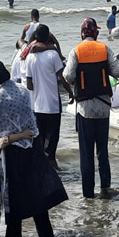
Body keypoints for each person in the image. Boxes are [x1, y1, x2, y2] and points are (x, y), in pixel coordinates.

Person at [0, 61, 68, 237]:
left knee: (14, 200)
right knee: (37, 196)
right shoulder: (22, 90)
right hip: (33, 147)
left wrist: (7, 138)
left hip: (12, 153)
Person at [63, 19, 119, 198]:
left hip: (85, 109)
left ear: (82, 33)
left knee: (86, 153)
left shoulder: (76, 51)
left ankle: (88, 193)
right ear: (96, 34)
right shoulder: (104, 49)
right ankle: (105, 187)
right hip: (104, 107)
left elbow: (68, 75)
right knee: (102, 151)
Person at [25, 25, 74, 171]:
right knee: (52, 144)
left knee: (40, 141)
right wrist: (71, 92)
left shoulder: (30, 57)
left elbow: (29, 84)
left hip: (37, 106)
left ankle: (41, 172)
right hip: (52, 105)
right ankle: (53, 171)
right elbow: (63, 78)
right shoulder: (53, 55)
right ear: (47, 37)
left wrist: (39, 87)